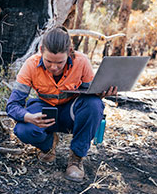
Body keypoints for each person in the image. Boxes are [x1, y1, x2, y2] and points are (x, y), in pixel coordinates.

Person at [6, 26, 117, 182]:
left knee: (94, 104)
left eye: (60, 62)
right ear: (40, 50)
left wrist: (102, 93)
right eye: (49, 61)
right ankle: (48, 145)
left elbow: (90, 98)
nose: (54, 67)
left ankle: (76, 158)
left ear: (70, 51)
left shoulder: (82, 61)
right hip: (44, 112)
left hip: (70, 113)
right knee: (22, 129)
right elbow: (12, 106)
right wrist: (28, 116)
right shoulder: (30, 65)